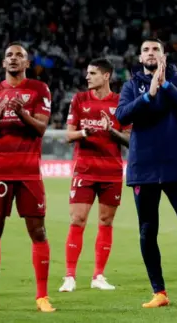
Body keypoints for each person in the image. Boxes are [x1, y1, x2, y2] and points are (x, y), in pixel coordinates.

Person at [115, 38, 177, 309]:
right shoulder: (130, 85)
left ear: (164, 56)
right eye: (146, 49)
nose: (150, 53)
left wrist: (165, 85)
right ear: (139, 57)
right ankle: (159, 292)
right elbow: (122, 115)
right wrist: (148, 94)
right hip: (144, 168)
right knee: (148, 231)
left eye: (155, 50)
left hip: (176, 165)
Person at [0, 43, 55, 313]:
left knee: (38, 232)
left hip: (28, 172)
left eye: (19, 55)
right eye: (9, 55)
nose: (14, 58)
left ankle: (42, 296)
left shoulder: (39, 89)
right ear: (3, 63)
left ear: (27, 63)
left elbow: (41, 128)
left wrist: (21, 112)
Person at [59, 58, 131, 293]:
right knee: (77, 219)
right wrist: (83, 132)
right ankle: (69, 276)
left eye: (92, 73)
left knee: (106, 221)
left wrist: (111, 131)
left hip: (111, 170)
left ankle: (98, 275)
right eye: (87, 73)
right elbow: (68, 136)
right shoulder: (79, 99)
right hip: (85, 169)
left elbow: (130, 139)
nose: (87, 77)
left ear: (106, 76)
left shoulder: (121, 103)